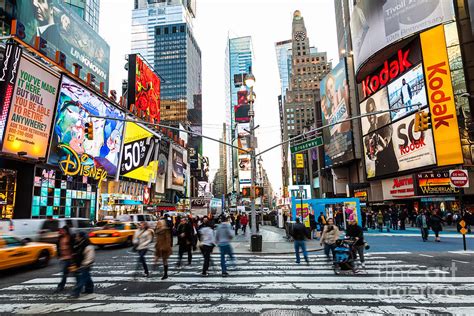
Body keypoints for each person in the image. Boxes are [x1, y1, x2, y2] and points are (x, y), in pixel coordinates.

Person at [364, 97, 399, 177]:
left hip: (392, 168)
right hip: (380, 172)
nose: (371, 115)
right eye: (368, 113)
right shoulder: (368, 134)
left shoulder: (385, 119)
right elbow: (371, 154)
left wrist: (381, 143)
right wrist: (372, 155)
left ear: (376, 109)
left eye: (372, 111)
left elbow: (387, 137)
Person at [70, 232, 94, 298]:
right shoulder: (78, 244)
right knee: (87, 277)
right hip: (80, 264)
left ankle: (75, 293)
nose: (76, 237)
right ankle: (89, 289)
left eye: (77, 236)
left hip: (84, 265)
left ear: (81, 237)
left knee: (81, 280)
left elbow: (90, 257)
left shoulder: (88, 246)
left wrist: (84, 265)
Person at [54, 225, 74, 293]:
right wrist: (58, 254)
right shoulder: (60, 237)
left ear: (66, 231)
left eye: (63, 230)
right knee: (64, 273)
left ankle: (82, 284)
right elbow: (58, 246)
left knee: (75, 273)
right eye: (61, 230)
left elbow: (73, 247)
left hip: (70, 258)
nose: (62, 231)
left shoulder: (71, 237)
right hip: (63, 258)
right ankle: (61, 286)